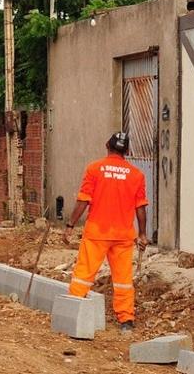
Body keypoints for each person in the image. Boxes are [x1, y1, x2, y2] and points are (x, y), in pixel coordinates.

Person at [63, 132, 148, 332]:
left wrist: (70, 225)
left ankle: (73, 312)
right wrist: (142, 233)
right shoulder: (137, 175)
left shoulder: (94, 169)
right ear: (127, 151)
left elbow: (83, 200)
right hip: (123, 235)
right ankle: (126, 320)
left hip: (97, 233)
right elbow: (141, 207)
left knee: (83, 275)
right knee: (123, 280)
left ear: (107, 146)